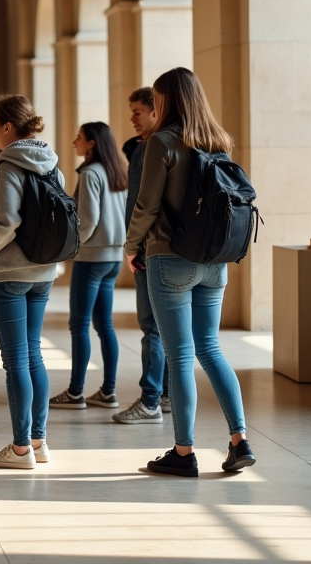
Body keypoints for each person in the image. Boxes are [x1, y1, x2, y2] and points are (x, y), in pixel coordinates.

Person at [125, 67, 255, 477]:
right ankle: (239, 440)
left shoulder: (161, 142)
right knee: (211, 349)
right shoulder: (218, 141)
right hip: (215, 262)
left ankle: (183, 452)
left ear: (166, 100)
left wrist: (131, 248)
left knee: (179, 357)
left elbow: (146, 206)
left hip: (169, 259)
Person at [0, 95, 61, 470]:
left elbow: (5, 222)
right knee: (33, 355)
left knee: (15, 362)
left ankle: (20, 448)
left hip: (9, 272)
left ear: (8, 127)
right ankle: (38, 442)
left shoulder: (8, 165)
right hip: (43, 272)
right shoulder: (51, 162)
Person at [50, 121, 127, 411]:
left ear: (92, 143)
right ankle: (108, 391)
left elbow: (89, 219)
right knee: (104, 325)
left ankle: (75, 392)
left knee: (79, 325)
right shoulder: (117, 172)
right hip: (113, 259)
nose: (74, 142)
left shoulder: (91, 174)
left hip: (91, 258)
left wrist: (71, 248)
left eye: (79, 137)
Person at [113, 87, 170, 424]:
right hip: (154, 248)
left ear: (155, 111)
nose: (131, 118)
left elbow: (142, 205)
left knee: (153, 327)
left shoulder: (152, 149)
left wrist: (132, 246)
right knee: (161, 328)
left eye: (137, 112)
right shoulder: (147, 148)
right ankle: (163, 396)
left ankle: (150, 399)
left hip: (149, 249)